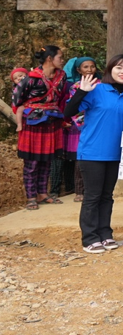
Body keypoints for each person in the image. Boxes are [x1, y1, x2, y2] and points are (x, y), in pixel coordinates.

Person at [64, 54, 123, 253]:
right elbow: (68, 112)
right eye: (119, 67)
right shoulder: (96, 89)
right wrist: (82, 91)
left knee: (107, 196)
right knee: (93, 196)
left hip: (115, 154)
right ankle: (89, 238)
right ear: (110, 69)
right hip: (92, 153)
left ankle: (105, 234)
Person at [12, 45, 67, 211]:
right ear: (50, 59)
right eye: (60, 57)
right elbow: (17, 99)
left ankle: (43, 193)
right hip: (33, 122)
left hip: (52, 121)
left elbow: (61, 98)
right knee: (32, 162)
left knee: (47, 160)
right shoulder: (31, 78)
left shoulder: (62, 76)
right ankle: (31, 197)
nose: (62, 60)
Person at [60, 57, 96, 202]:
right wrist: (85, 123)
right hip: (81, 127)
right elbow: (74, 109)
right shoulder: (75, 87)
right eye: (85, 67)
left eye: (92, 66)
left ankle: (92, 189)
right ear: (78, 70)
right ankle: (79, 191)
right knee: (80, 158)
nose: (89, 70)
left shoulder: (101, 85)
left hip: (97, 126)